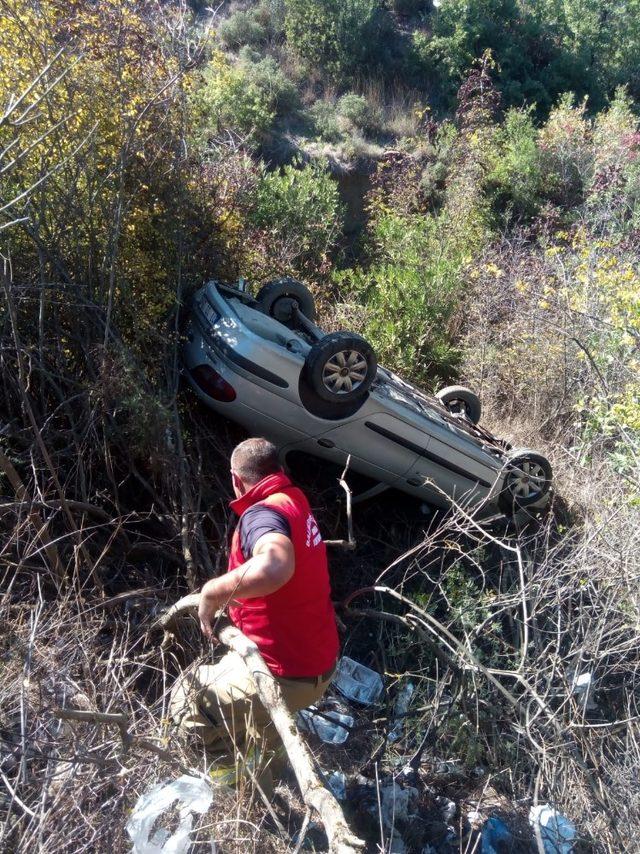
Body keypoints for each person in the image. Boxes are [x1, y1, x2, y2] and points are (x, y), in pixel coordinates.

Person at [170, 437, 339, 786]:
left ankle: (225, 785)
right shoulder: (294, 500)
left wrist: (213, 590)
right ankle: (263, 781)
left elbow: (274, 567)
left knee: (188, 701)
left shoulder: (263, 514)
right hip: (317, 666)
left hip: (284, 671)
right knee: (263, 727)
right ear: (278, 470)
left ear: (236, 479)